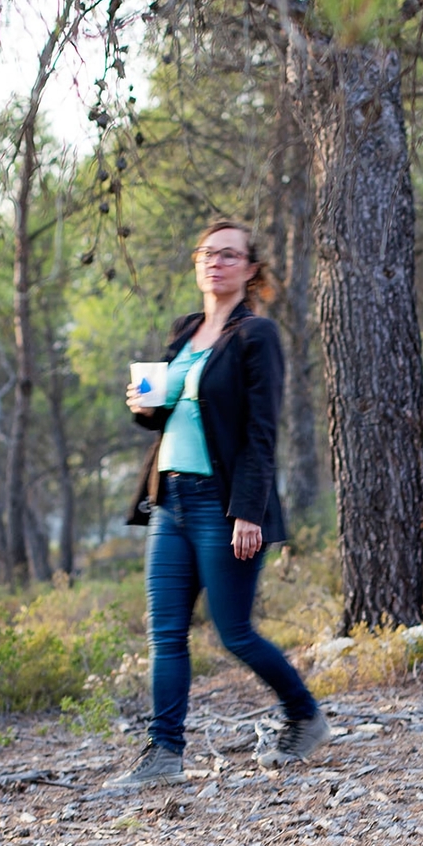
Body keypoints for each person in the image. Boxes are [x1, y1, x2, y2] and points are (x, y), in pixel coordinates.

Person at [107, 218, 327, 789]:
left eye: (231, 255)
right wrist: (141, 404)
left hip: (221, 505)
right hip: (170, 501)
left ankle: (304, 715)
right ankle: (163, 755)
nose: (217, 263)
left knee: (233, 633)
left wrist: (248, 511)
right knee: (165, 633)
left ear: (251, 270)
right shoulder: (185, 332)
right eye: (209, 253)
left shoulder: (257, 337)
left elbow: (261, 431)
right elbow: (162, 414)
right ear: (197, 261)